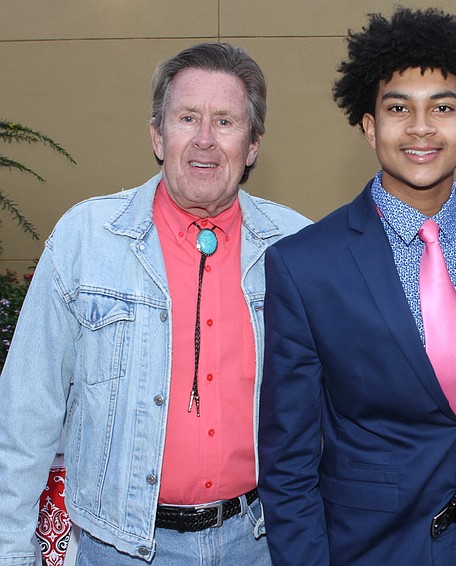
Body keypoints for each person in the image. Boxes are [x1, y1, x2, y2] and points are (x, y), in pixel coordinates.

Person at [0, 43, 313, 565]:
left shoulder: (298, 247)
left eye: (226, 121)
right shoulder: (85, 240)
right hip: (119, 549)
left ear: (253, 145)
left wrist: (447, 213)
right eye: (187, 118)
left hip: (260, 543)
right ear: (157, 136)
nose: (205, 139)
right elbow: (24, 414)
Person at [257, 7, 456, 566]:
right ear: (369, 127)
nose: (421, 127)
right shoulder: (305, 265)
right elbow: (287, 460)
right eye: (398, 108)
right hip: (372, 545)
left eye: (443, 108)